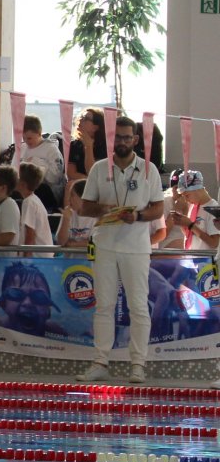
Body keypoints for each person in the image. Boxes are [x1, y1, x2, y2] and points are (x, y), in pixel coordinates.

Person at [75, 116, 164, 383]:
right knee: (104, 305)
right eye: (118, 138)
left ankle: (138, 364)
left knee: (138, 306)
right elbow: (85, 206)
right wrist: (105, 209)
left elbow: (159, 208)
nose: (123, 142)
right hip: (104, 244)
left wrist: (137, 217)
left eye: (127, 137)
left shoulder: (150, 170)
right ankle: (101, 361)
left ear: (136, 140)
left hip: (136, 246)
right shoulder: (100, 169)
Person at [0, 262, 64, 337]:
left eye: (39, 296)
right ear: (3, 304)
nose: (27, 303)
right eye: (16, 294)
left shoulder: (55, 332)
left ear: (48, 309)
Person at [161, 170, 220, 251]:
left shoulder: (214, 209)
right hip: (194, 259)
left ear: (197, 189)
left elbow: (214, 243)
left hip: (207, 261)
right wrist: (182, 223)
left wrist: (190, 225)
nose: (185, 200)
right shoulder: (194, 207)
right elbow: (190, 236)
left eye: (187, 195)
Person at [19, 114, 65, 211]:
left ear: (39, 133)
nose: (26, 141)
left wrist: (38, 163)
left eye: (29, 138)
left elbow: (55, 178)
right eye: (24, 138)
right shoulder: (22, 148)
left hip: (47, 190)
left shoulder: (51, 150)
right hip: (24, 187)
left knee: (40, 188)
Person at [15, 163, 51, 247]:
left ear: (23, 184)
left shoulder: (29, 202)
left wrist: (26, 259)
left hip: (37, 257)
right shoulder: (33, 200)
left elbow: (30, 234)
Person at [55, 179, 95, 250]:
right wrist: (66, 220)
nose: (69, 199)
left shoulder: (95, 216)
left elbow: (96, 242)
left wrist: (74, 244)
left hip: (89, 260)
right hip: (69, 260)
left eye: (72, 195)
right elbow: (60, 242)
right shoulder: (68, 213)